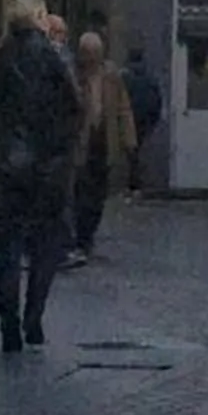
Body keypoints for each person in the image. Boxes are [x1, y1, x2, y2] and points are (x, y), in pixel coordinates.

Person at [0, 0, 82, 354]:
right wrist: (60, 151)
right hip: (47, 170)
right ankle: (33, 320)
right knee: (44, 247)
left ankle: (8, 328)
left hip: (3, 166)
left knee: (7, 246)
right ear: (38, 19)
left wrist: (0, 125)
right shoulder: (55, 58)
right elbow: (75, 108)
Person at [68, 31, 137, 263]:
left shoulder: (111, 75)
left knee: (97, 195)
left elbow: (123, 108)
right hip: (82, 143)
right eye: (87, 53)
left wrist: (129, 140)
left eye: (94, 53)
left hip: (104, 142)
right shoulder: (74, 74)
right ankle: (80, 239)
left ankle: (87, 237)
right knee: (80, 193)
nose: (90, 57)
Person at [120, 39, 165, 191]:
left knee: (130, 152)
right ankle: (138, 182)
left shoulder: (124, 75)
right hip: (147, 118)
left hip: (130, 118)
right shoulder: (150, 75)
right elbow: (157, 97)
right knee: (139, 150)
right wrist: (154, 117)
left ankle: (132, 183)